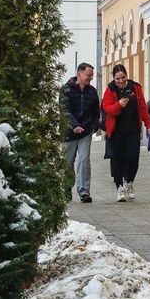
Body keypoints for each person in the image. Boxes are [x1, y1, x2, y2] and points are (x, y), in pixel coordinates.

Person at [101, 64, 150, 203]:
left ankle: (129, 182)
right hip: (116, 131)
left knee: (133, 158)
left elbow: (142, 108)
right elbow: (107, 108)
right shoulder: (110, 89)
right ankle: (119, 188)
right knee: (117, 160)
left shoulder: (135, 87)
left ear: (126, 75)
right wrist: (119, 105)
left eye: (123, 77)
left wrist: (149, 125)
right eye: (118, 78)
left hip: (133, 130)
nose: (121, 81)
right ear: (114, 78)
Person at [62, 63, 99, 203]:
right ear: (79, 74)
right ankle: (66, 189)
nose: (91, 78)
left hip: (86, 132)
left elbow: (96, 111)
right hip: (69, 132)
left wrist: (94, 126)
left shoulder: (92, 91)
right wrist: (74, 125)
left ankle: (84, 191)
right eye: (88, 75)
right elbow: (65, 110)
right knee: (67, 162)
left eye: (92, 75)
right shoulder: (66, 89)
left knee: (84, 160)